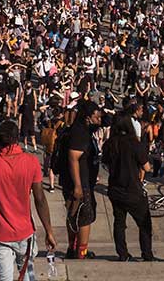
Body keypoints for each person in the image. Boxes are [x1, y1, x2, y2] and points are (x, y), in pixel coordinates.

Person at [0, 119, 57, 281]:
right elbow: (40, 199)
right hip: (25, 232)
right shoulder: (32, 161)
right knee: (27, 275)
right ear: (17, 138)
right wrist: (49, 231)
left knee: (4, 278)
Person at [102, 109, 155, 262]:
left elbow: (105, 162)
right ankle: (147, 253)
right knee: (144, 224)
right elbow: (147, 168)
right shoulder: (134, 144)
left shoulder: (110, 143)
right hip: (132, 188)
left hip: (115, 188)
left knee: (119, 222)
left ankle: (122, 253)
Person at [61, 99, 102, 260]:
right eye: (96, 117)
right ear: (87, 117)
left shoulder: (80, 130)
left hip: (78, 181)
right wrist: (78, 185)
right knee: (84, 216)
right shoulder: (80, 133)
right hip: (79, 183)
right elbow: (73, 157)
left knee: (74, 214)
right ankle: (81, 252)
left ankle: (74, 248)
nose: (98, 120)